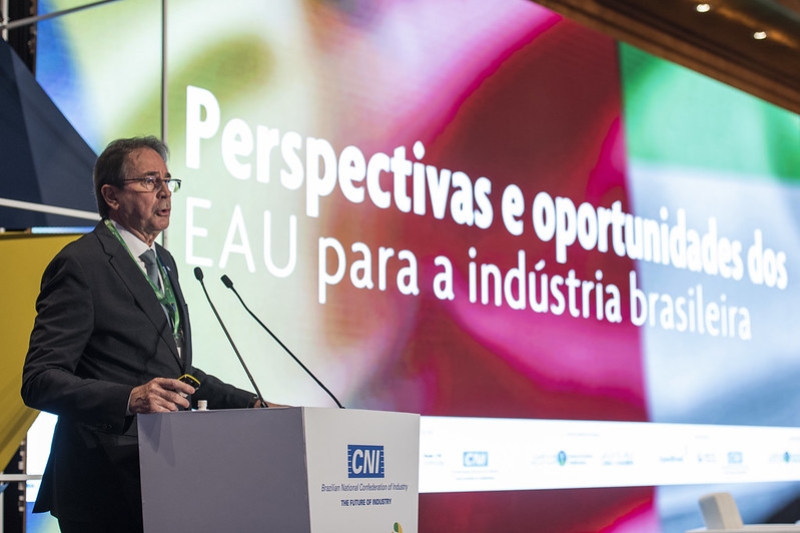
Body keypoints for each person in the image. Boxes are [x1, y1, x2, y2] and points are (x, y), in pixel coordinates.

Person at [21, 136, 273, 533]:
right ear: (112, 195)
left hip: (165, 479)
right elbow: (39, 381)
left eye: (168, 181)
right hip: (102, 486)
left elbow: (179, 375)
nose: (164, 192)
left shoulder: (165, 263)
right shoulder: (81, 264)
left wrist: (255, 407)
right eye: (149, 181)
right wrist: (129, 398)